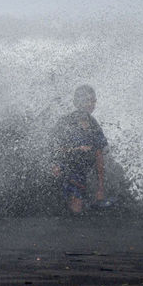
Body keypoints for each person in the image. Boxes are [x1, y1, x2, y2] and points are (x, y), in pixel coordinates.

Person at [52, 85, 108, 214]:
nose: (91, 104)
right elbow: (54, 150)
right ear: (77, 103)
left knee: (81, 211)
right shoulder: (65, 123)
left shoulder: (94, 125)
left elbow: (99, 156)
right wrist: (77, 149)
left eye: (93, 101)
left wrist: (100, 188)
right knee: (76, 210)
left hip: (80, 175)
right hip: (64, 170)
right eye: (87, 100)